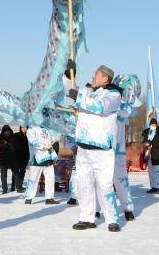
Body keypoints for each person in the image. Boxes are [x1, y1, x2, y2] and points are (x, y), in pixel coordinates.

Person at [64, 60, 122, 232]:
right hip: (84, 148)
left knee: (104, 186)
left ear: (105, 79)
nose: (92, 77)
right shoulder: (88, 91)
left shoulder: (113, 95)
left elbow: (101, 107)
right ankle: (86, 218)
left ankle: (112, 219)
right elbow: (70, 91)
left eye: (96, 74)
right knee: (84, 185)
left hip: (102, 150)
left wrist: (80, 97)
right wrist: (68, 75)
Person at [23, 126, 59, 205]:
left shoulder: (48, 128)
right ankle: (28, 197)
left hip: (49, 156)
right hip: (37, 157)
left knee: (50, 178)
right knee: (33, 178)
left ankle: (49, 198)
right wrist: (43, 146)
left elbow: (53, 139)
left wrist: (57, 135)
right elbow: (32, 141)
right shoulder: (32, 128)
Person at [113, 101, 135, 220]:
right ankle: (96, 210)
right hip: (103, 150)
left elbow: (130, 109)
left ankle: (128, 209)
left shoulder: (120, 104)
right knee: (99, 181)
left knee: (121, 180)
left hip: (117, 150)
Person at [141, 118, 159, 194]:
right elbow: (144, 141)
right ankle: (153, 187)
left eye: (154, 124)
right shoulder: (147, 132)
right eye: (152, 124)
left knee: (158, 171)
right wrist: (145, 144)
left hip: (157, 154)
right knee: (151, 172)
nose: (153, 126)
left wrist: (151, 145)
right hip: (149, 155)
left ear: (156, 124)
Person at [0, 125, 17, 194]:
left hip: (13, 159)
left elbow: (16, 148)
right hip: (3, 160)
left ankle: (13, 187)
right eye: (5, 131)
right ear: (3, 132)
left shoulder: (14, 139)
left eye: (8, 131)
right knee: (3, 175)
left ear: (10, 131)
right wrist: (4, 145)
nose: (7, 133)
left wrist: (9, 145)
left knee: (15, 174)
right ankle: (4, 189)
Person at [13, 126, 30, 193]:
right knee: (17, 172)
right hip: (17, 156)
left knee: (23, 171)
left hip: (25, 156)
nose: (24, 129)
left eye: (25, 127)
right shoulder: (16, 135)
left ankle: (20, 185)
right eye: (22, 127)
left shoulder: (29, 136)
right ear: (20, 128)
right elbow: (14, 145)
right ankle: (18, 187)